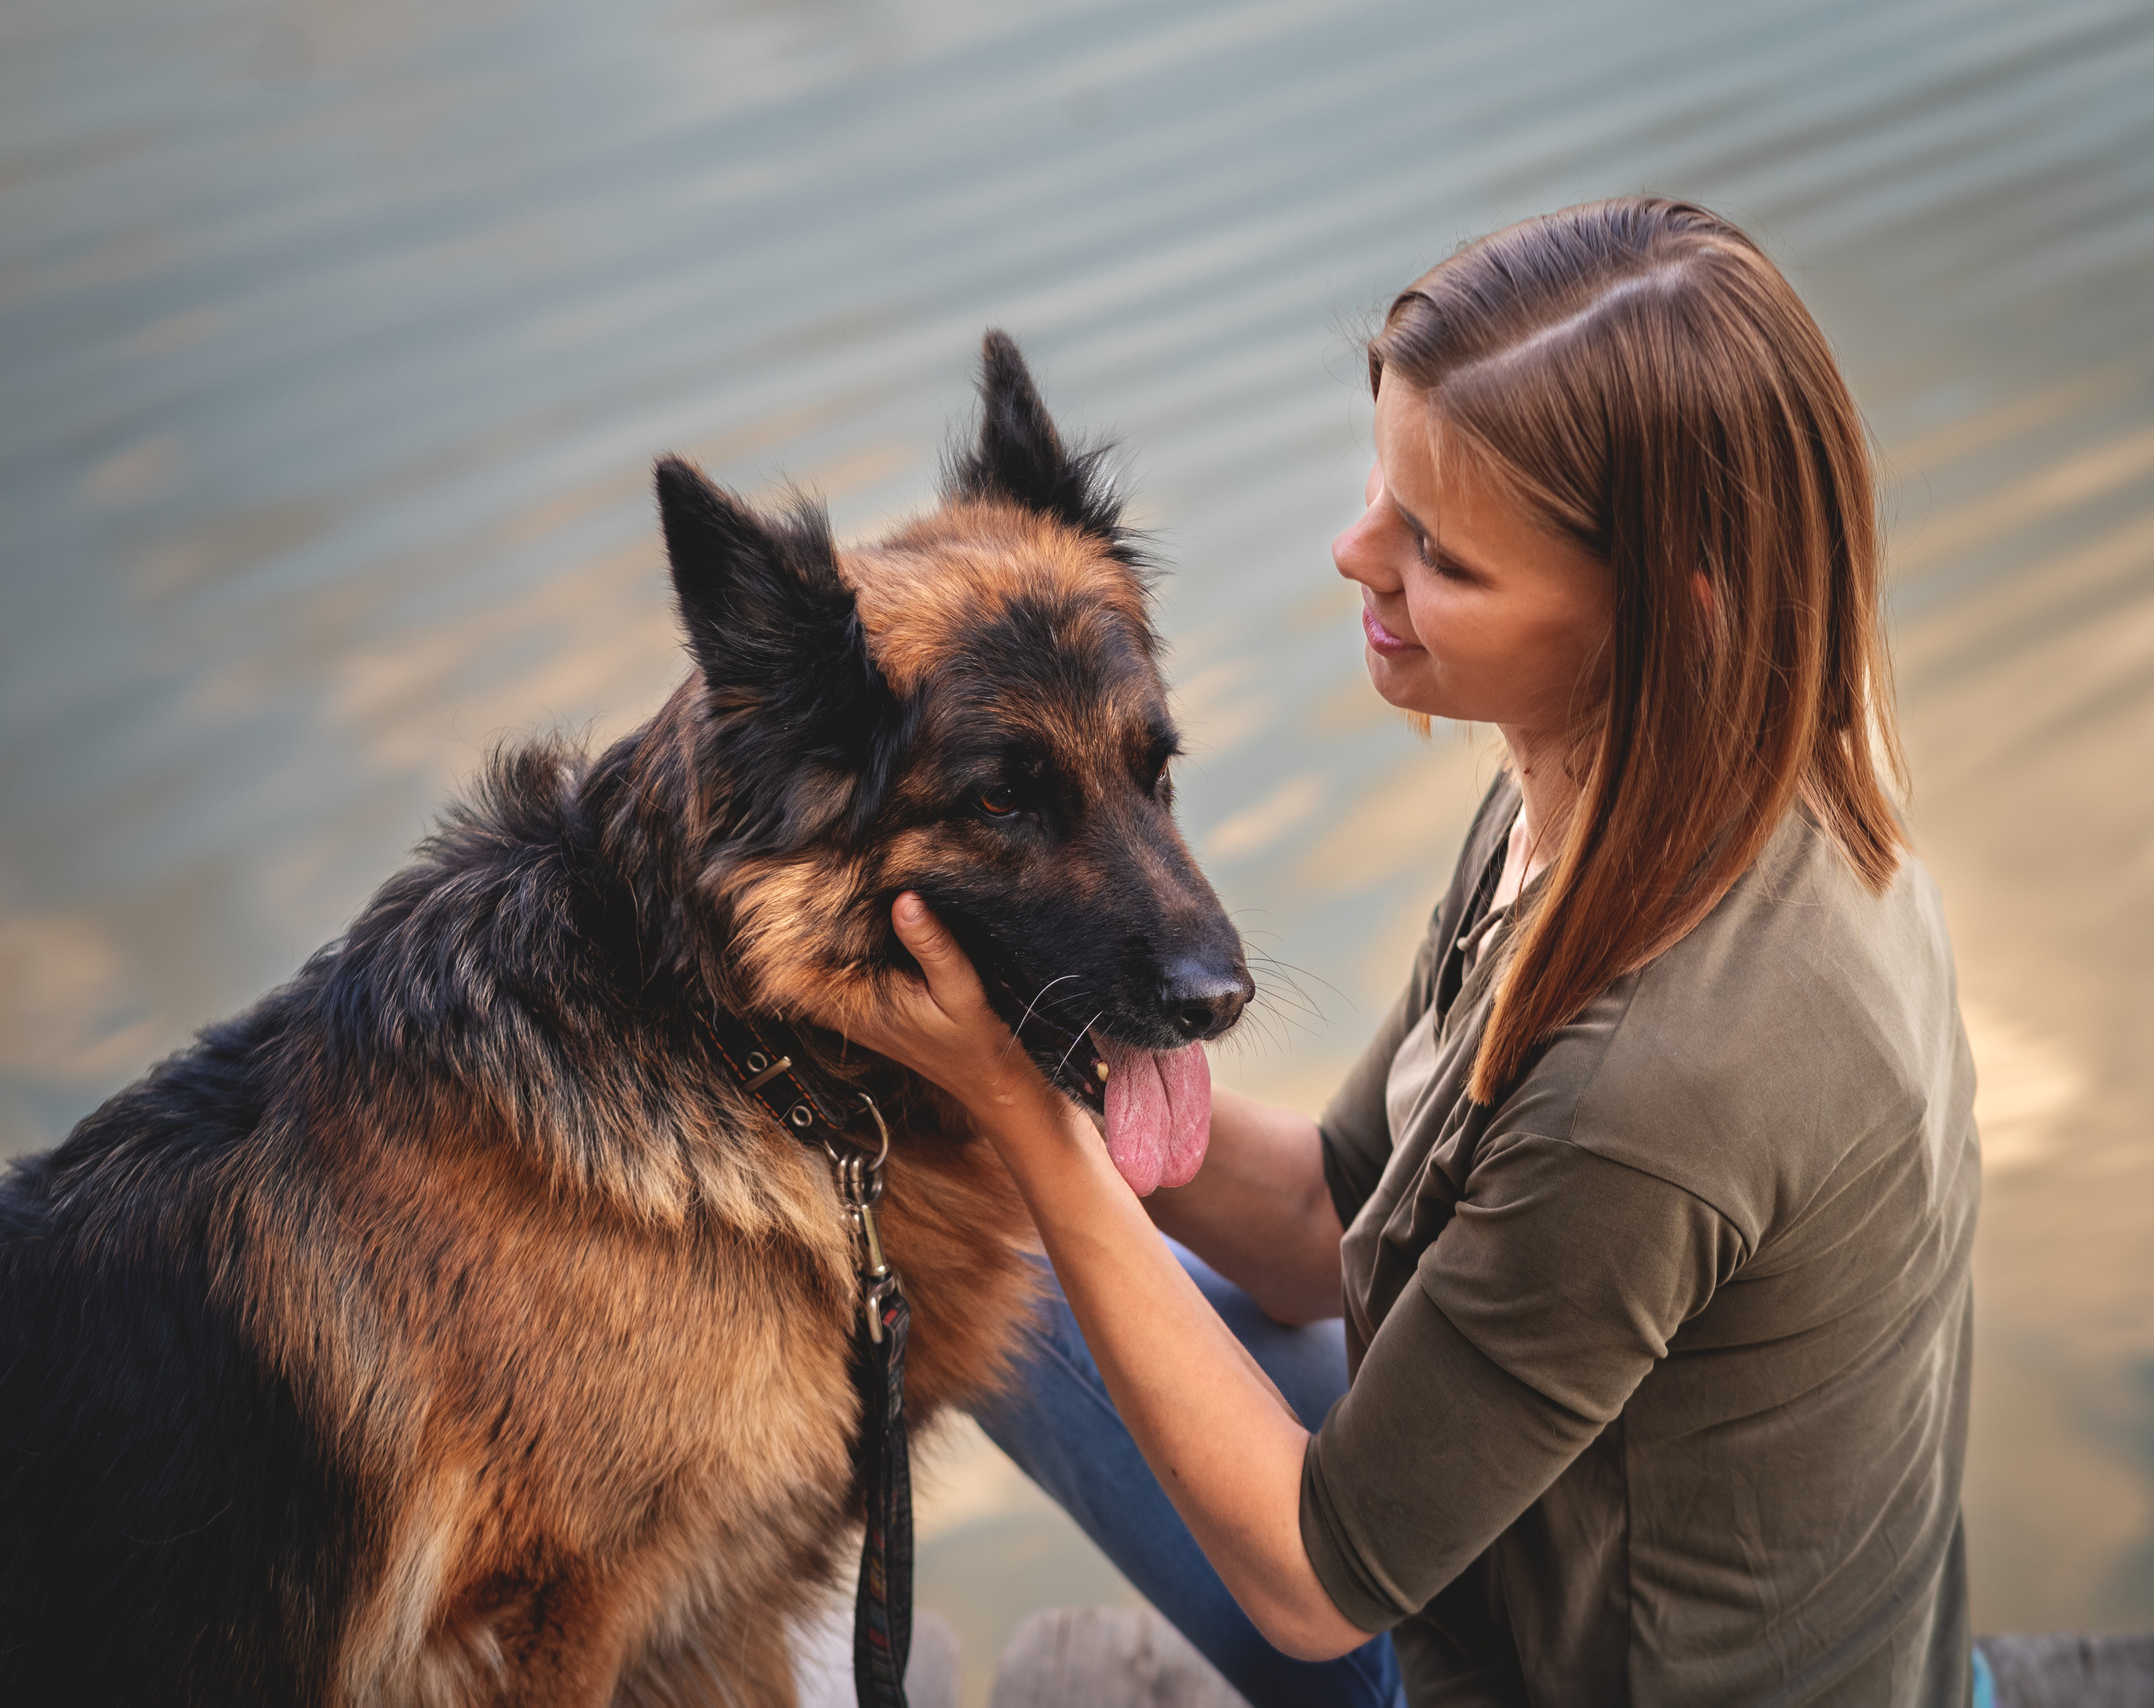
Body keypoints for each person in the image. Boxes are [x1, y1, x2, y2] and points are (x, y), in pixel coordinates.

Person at [841, 198, 1985, 1706]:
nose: (1352, 554)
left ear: (1669, 612)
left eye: (1437, 550)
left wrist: (1021, 1116)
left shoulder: (1666, 1084)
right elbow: (1336, 1214)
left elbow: (1315, 1585)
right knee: (1001, 1245)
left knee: (1001, 1257)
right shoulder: (1622, 793)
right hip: (1557, 1562)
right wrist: (1069, 1080)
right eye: (1381, 487)